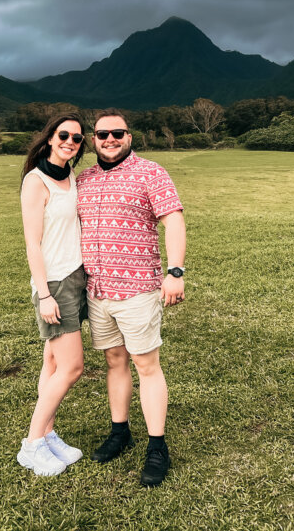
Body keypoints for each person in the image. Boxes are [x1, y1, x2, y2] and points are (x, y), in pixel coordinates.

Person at [76, 108, 186, 488]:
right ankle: (120, 431)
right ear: (93, 139)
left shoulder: (151, 172)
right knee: (114, 360)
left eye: (117, 133)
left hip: (138, 288)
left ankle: (158, 446)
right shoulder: (84, 179)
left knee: (146, 365)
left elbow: (174, 220)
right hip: (97, 289)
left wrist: (176, 272)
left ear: (130, 136)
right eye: (103, 134)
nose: (110, 140)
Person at [16, 112, 89, 477]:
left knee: (53, 363)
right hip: (55, 284)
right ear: (49, 138)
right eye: (64, 135)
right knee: (73, 367)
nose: (70, 142)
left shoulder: (70, 175)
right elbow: (32, 243)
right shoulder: (36, 180)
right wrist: (44, 294)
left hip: (75, 278)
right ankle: (31, 445)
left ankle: (47, 433)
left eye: (77, 139)